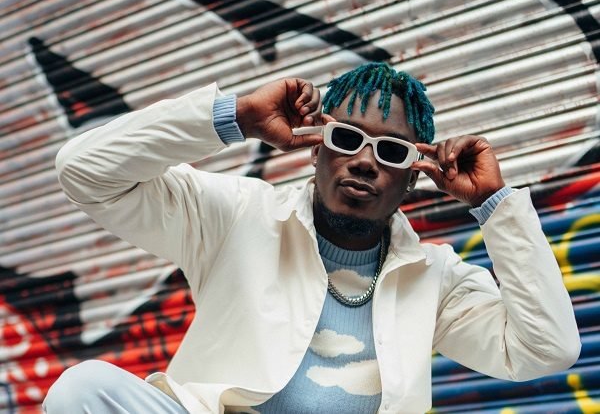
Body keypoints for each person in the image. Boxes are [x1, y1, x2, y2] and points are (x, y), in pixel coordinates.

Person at [44, 62, 580, 414]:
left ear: (414, 177)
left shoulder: (435, 278)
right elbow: (84, 171)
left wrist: (494, 204)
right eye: (346, 138)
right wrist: (236, 117)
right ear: (316, 147)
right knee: (84, 389)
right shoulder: (236, 215)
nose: (364, 162)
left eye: (391, 151)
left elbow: (545, 350)